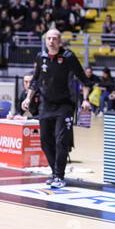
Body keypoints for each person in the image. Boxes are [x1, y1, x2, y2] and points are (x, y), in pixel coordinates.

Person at [21, 29, 92, 189]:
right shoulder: (41, 57)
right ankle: (54, 173)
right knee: (45, 142)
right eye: (49, 38)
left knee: (61, 141)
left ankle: (59, 175)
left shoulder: (68, 57)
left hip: (64, 105)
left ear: (59, 41)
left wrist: (85, 100)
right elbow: (36, 80)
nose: (51, 41)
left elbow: (84, 79)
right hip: (46, 105)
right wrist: (28, 98)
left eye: (54, 38)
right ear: (45, 41)